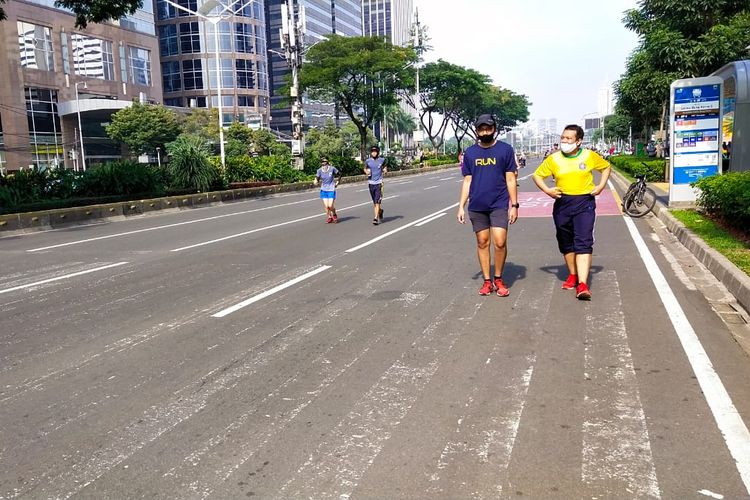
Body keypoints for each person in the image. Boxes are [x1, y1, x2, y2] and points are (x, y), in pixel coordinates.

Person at [532, 124, 611, 300]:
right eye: (563, 138)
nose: (565, 141)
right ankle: (573, 275)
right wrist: (548, 190)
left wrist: (600, 186)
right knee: (565, 240)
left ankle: (582, 285)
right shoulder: (554, 159)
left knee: (583, 241)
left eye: (569, 138)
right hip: (562, 203)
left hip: (584, 202)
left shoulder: (589, 156)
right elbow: (537, 175)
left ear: (578, 141)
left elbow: (606, 167)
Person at [457, 114, 519, 297]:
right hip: (477, 205)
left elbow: (510, 178)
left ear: (494, 129)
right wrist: (461, 205)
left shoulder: (505, 150)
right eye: (481, 129)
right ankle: (487, 281)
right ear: (477, 131)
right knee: (482, 242)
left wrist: (514, 205)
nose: (485, 132)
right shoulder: (470, 153)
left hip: (499, 204)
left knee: (500, 241)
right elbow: (467, 181)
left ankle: (498, 278)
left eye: (488, 128)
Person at [364, 145, 387, 225]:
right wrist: (366, 172)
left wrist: (385, 170)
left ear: (377, 152)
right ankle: (380, 211)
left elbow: (385, 168)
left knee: (377, 202)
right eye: (372, 152)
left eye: (375, 151)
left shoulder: (382, 160)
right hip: (371, 183)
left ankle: (375, 218)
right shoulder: (368, 161)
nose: (374, 153)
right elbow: (365, 168)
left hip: (379, 183)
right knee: (375, 203)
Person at [314, 156, 341, 223]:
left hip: (331, 189)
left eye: (325, 161)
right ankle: (329, 217)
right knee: (326, 206)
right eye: (323, 162)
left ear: (328, 162)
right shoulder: (319, 170)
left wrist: (337, 182)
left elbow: (339, 174)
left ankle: (334, 214)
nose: (324, 163)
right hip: (323, 189)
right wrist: (315, 181)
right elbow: (317, 178)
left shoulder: (332, 169)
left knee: (330, 205)